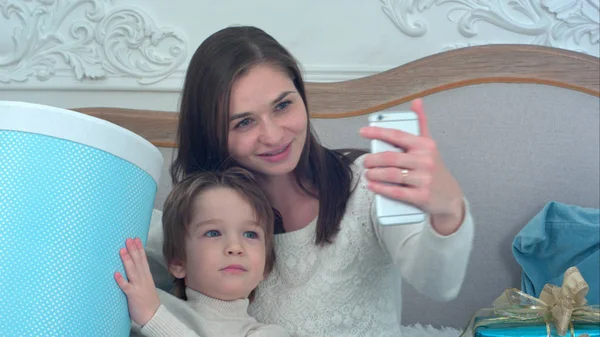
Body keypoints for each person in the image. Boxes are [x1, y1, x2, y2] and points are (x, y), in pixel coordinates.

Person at [142, 25, 475, 336]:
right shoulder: (202, 215)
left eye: (283, 105)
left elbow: (438, 284)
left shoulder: (368, 184)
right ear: (212, 134)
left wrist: (447, 211)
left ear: (302, 96)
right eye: (244, 123)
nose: (272, 136)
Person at [115, 167, 290, 336]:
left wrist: (153, 318)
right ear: (178, 261)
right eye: (213, 233)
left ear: (266, 266)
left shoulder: (269, 333)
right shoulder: (143, 298)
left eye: (250, 234)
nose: (235, 247)